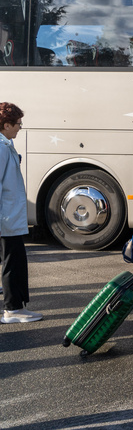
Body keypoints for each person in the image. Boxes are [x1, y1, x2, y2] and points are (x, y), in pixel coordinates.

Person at [0, 103, 42, 324]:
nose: (19, 128)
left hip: (9, 217)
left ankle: (15, 307)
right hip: (6, 219)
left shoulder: (6, 145)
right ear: (6, 125)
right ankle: (13, 310)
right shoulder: (1, 147)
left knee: (13, 261)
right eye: (17, 124)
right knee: (12, 263)